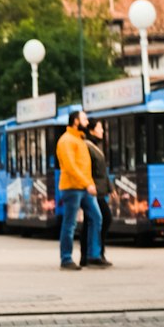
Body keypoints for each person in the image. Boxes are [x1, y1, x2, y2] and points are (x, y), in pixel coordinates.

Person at [56, 110, 110, 272]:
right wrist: (87, 184)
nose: (87, 122)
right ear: (75, 121)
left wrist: (89, 183)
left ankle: (94, 255)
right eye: (84, 119)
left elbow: (85, 166)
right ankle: (66, 258)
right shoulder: (66, 141)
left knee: (97, 217)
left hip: (84, 187)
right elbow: (71, 167)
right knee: (70, 223)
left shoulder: (79, 139)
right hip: (72, 188)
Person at [80, 117, 112, 265]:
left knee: (93, 220)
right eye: (100, 128)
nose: (102, 131)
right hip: (93, 190)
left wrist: (110, 188)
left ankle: (91, 255)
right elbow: (88, 170)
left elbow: (103, 171)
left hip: (100, 189)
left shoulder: (96, 145)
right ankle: (94, 253)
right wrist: (89, 185)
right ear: (92, 130)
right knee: (103, 218)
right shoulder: (87, 146)